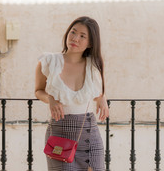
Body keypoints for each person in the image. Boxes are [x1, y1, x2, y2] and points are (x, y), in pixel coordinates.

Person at [35, 16, 109, 171]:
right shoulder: (49, 61)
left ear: (90, 43)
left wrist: (102, 97)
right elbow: (38, 91)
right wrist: (50, 99)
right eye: (73, 32)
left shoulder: (94, 65)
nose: (75, 38)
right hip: (59, 133)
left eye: (82, 36)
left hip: (89, 134)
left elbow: (94, 92)